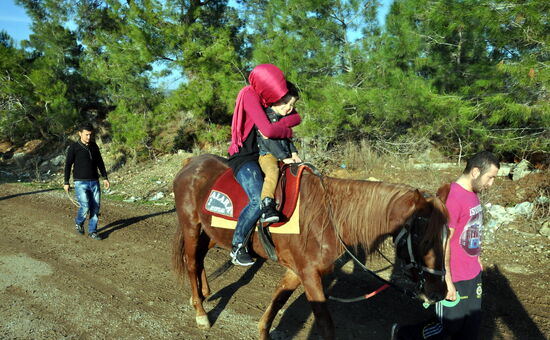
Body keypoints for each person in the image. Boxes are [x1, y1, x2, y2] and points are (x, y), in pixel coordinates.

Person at [392, 151, 500, 340]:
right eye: (490, 178)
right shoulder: (453, 198)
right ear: (475, 171)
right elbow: (443, 241)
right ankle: (402, 334)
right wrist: (447, 281)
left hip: (473, 274)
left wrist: (477, 257)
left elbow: (470, 229)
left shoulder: (472, 194)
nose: (490, 184)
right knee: (447, 329)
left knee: (471, 328)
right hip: (455, 276)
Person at [227, 64, 301, 266]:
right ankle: (238, 245)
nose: (286, 105)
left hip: (264, 154)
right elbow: (268, 131)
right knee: (256, 198)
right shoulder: (250, 95)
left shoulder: (269, 101)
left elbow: (296, 117)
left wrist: (282, 122)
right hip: (245, 156)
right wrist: (288, 131)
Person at [257, 81, 302, 223]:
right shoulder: (265, 117)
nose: (289, 108)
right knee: (272, 171)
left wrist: (293, 153)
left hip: (285, 155)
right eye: (285, 102)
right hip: (268, 154)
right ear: (275, 99)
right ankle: (267, 204)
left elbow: (287, 138)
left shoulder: (283, 119)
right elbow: (269, 141)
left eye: (292, 105)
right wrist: (284, 157)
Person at [64, 123, 110, 241]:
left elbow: (100, 162)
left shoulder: (94, 146)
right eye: (86, 135)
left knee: (95, 208)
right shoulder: (74, 147)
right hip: (80, 182)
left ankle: (92, 231)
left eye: (90, 135)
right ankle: (79, 222)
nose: (89, 137)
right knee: (85, 206)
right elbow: (68, 165)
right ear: (80, 134)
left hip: (94, 181)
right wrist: (66, 182)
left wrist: (105, 177)